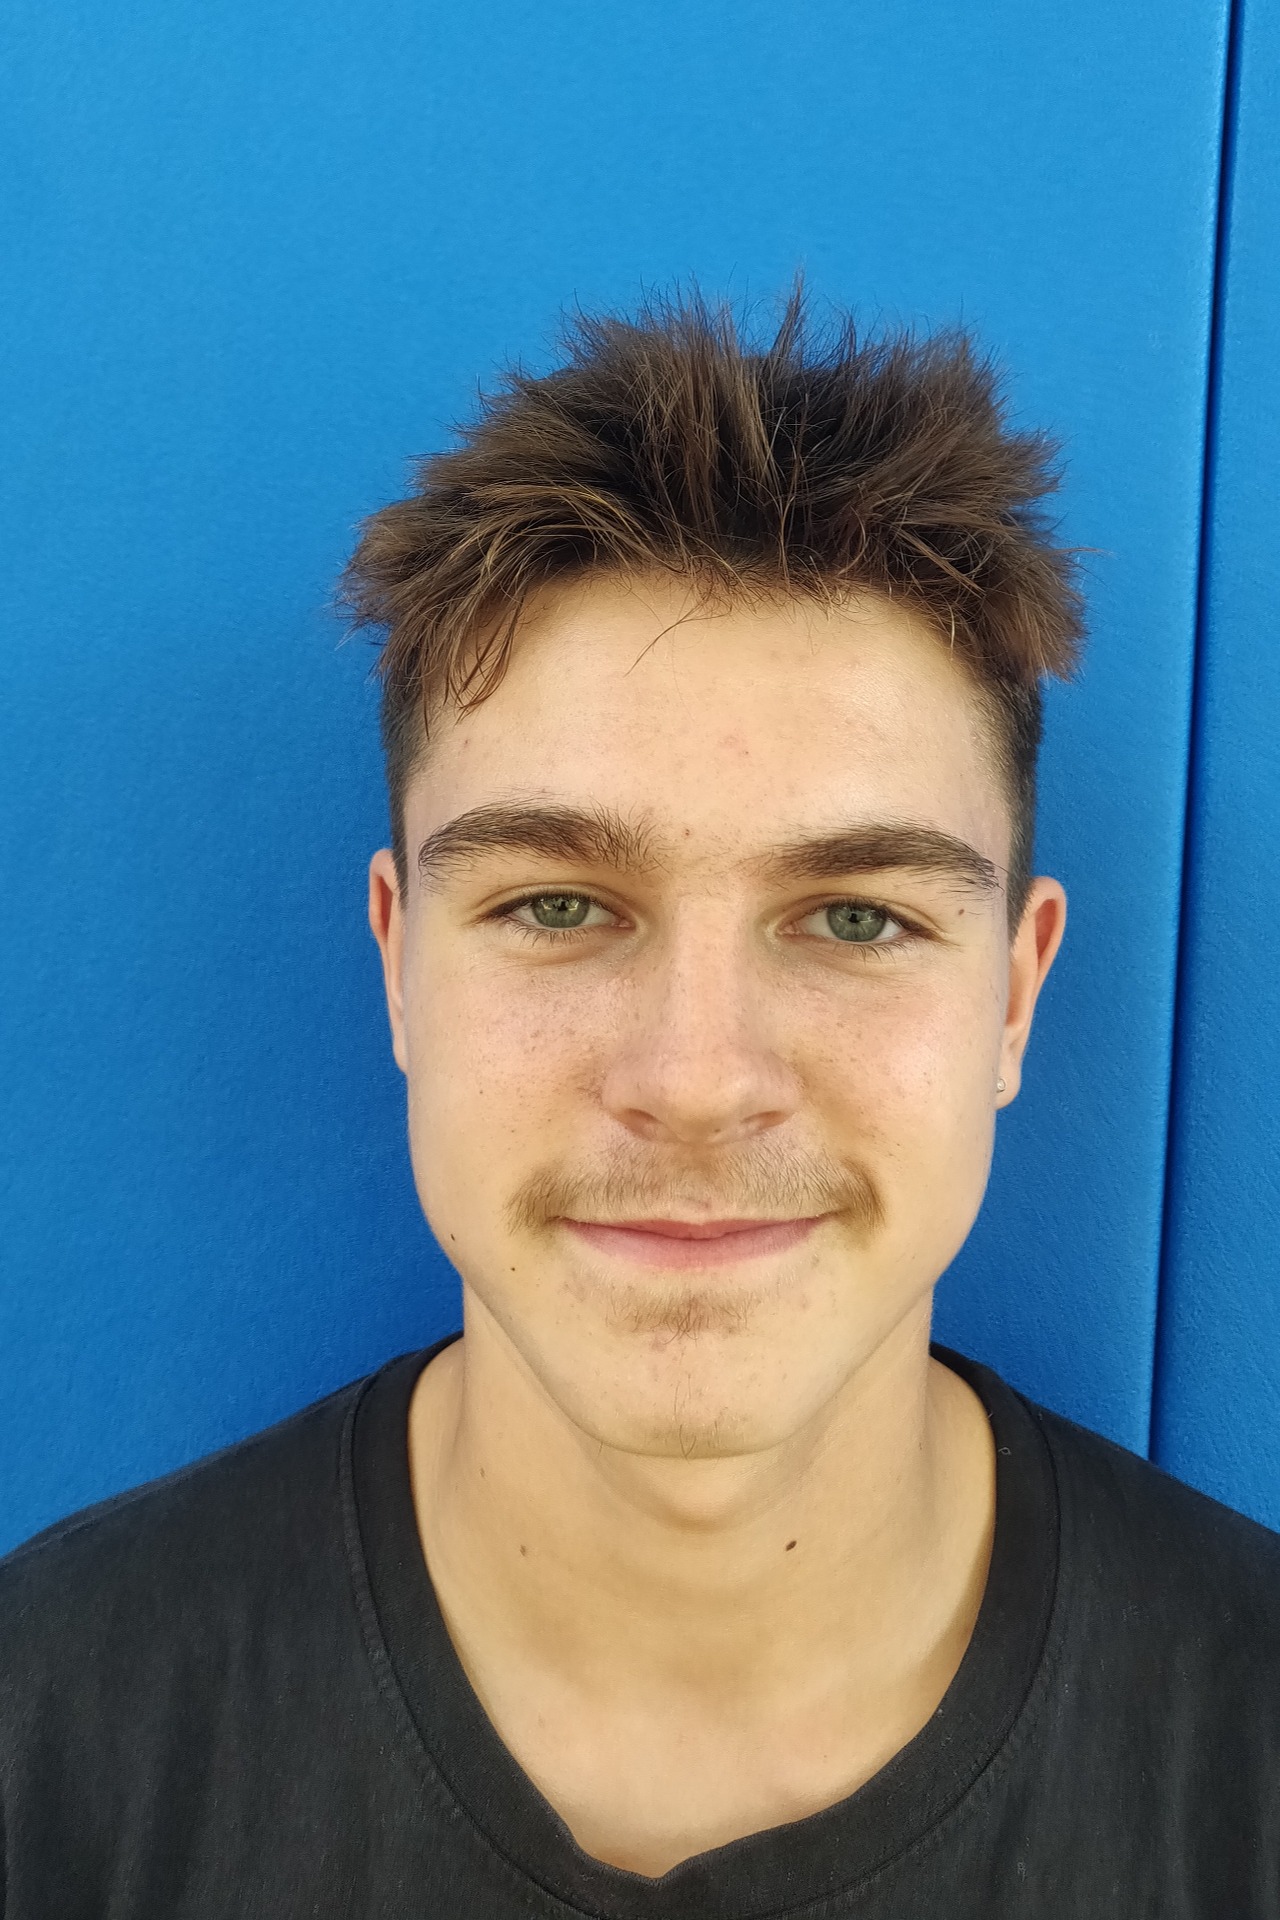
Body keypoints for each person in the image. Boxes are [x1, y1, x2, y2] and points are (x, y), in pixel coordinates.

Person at [2, 290, 1277, 1919]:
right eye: (556, 905)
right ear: (400, 966)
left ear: (1015, 998)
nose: (695, 1081)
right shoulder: (52, 1738)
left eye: (857, 918)